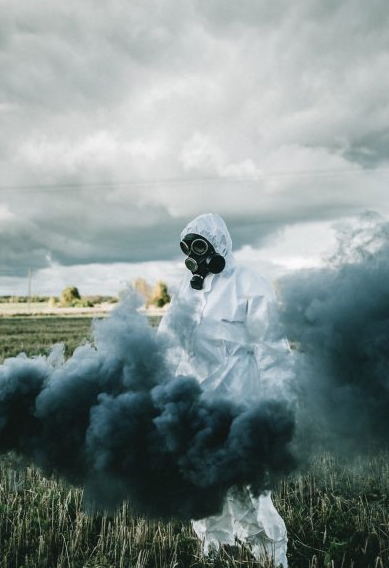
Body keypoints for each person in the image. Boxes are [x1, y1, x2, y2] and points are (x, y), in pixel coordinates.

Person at [157, 213, 294, 568]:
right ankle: (214, 550)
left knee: (249, 487)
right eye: (188, 248)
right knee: (203, 480)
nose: (195, 256)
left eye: (200, 246)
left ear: (219, 245)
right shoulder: (187, 290)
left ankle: (270, 556)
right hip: (197, 404)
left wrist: (278, 399)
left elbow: (272, 345)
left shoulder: (249, 282)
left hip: (239, 403)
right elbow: (167, 342)